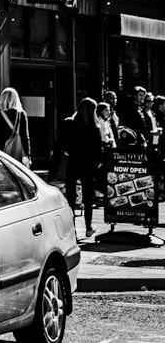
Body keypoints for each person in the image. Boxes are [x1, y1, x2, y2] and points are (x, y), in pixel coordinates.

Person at [63, 96, 104, 239]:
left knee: (70, 199)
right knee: (87, 198)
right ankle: (88, 227)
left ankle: (72, 229)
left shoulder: (69, 124)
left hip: (73, 163)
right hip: (88, 166)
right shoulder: (94, 127)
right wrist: (98, 163)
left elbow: (64, 145)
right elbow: (98, 150)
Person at [0, 87, 30, 164]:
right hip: (16, 154)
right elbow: (25, 137)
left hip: (0, 153)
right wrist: (27, 155)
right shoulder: (21, 114)